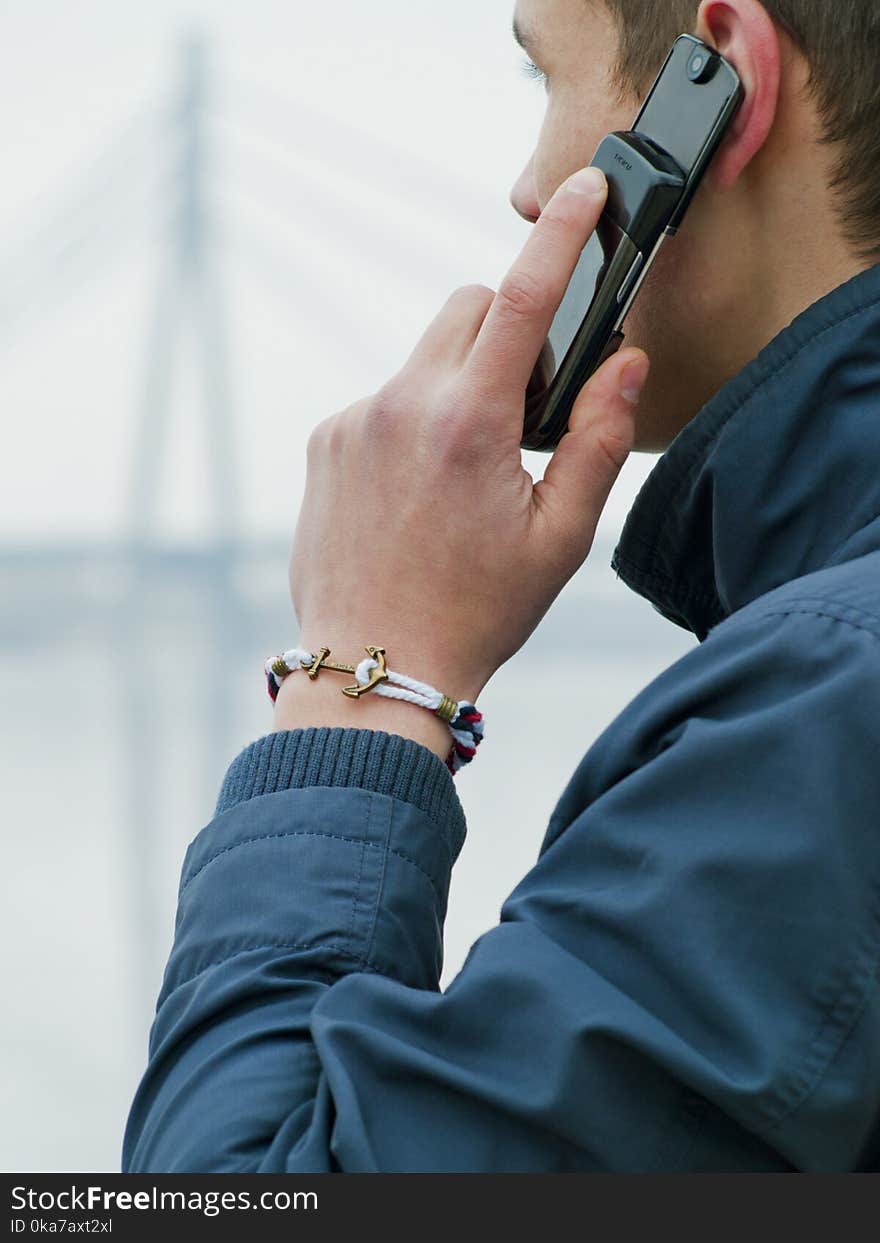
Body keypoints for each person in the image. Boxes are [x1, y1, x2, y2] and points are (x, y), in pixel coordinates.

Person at [122, 0, 880, 1172]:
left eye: (545, 80)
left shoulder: (828, 710)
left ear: (716, 79)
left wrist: (359, 677)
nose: (528, 191)